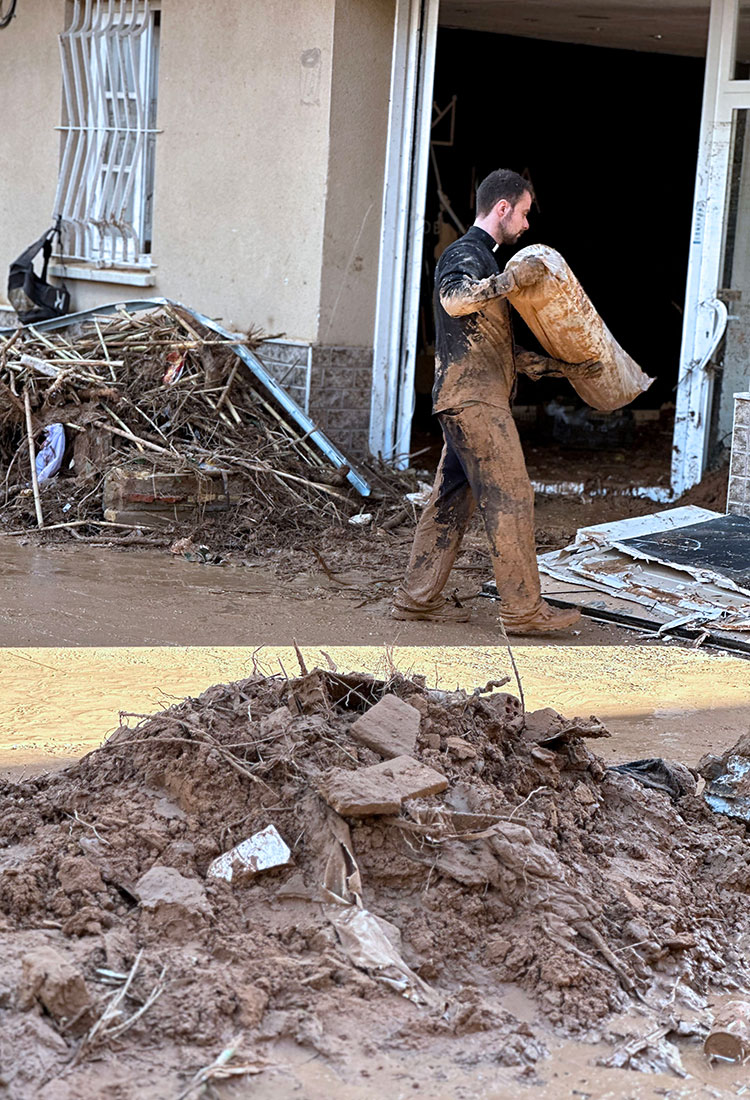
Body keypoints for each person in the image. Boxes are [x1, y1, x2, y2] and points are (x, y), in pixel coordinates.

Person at [391, 168, 602, 634]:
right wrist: (510, 281)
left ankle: (416, 599)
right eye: (524, 214)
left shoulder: (484, 261)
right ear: (502, 208)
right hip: (475, 402)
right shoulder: (467, 255)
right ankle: (524, 611)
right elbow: (454, 300)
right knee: (511, 496)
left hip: (466, 398)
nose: (527, 225)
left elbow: (497, 349)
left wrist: (563, 369)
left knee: (450, 500)